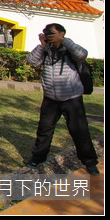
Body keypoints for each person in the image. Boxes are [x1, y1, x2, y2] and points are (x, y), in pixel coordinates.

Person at [25, 23, 99, 175]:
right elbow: (32, 61)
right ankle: (37, 158)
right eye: (47, 33)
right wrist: (42, 45)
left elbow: (82, 54)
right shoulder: (47, 49)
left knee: (79, 131)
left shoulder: (70, 49)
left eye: (52, 33)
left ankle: (90, 162)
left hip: (72, 98)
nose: (49, 35)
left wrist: (64, 40)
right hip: (51, 98)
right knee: (44, 129)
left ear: (62, 33)